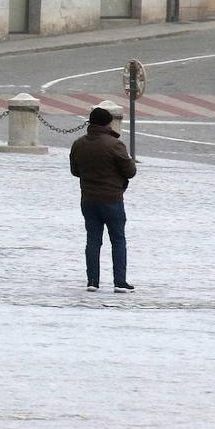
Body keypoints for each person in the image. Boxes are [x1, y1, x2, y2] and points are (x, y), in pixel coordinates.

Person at [69, 106, 137, 293]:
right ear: (108, 123)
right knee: (118, 239)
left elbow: (75, 171)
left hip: (88, 199)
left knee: (92, 239)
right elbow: (130, 171)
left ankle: (92, 280)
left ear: (90, 122)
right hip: (112, 199)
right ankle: (119, 281)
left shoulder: (78, 144)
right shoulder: (115, 145)